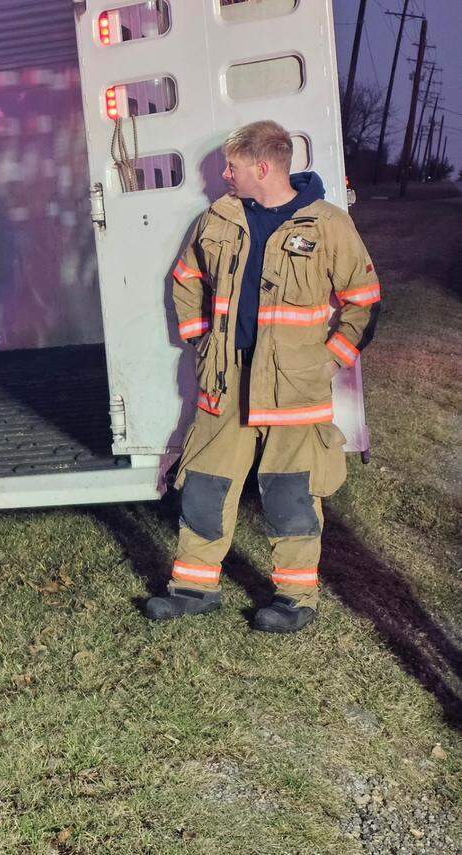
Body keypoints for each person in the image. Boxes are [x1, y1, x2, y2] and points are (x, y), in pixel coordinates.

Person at [146, 120, 382, 633]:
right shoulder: (218, 219)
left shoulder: (327, 225)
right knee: (204, 487)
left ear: (263, 167)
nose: (224, 175)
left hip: (294, 389)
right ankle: (193, 588)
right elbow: (186, 279)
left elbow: (363, 301)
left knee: (291, 492)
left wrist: (330, 360)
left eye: (231, 166)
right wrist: (201, 341)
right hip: (227, 383)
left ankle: (296, 599)